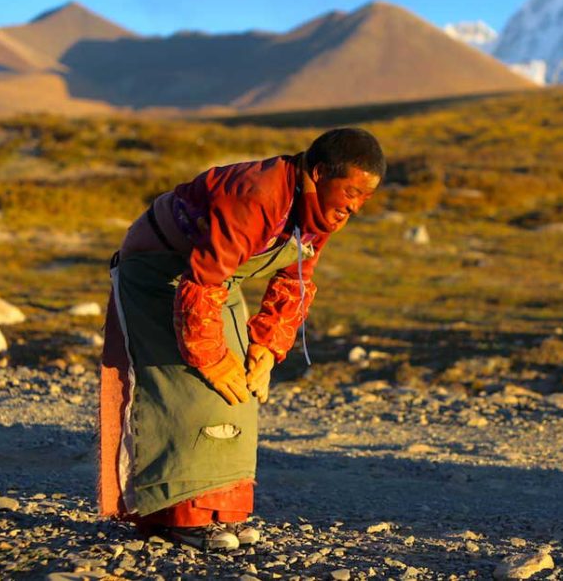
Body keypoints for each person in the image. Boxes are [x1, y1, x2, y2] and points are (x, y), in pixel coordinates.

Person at [98, 127, 384, 550]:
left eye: (365, 198)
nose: (355, 207)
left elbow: (295, 280)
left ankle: (222, 514)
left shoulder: (318, 212)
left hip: (211, 281)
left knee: (242, 394)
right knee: (191, 392)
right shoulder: (258, 195)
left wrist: (266, 349)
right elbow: (202, 282)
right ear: (320, 173)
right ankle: (179, 516)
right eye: (352, 192)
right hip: (156, 275)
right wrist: (210, 358)